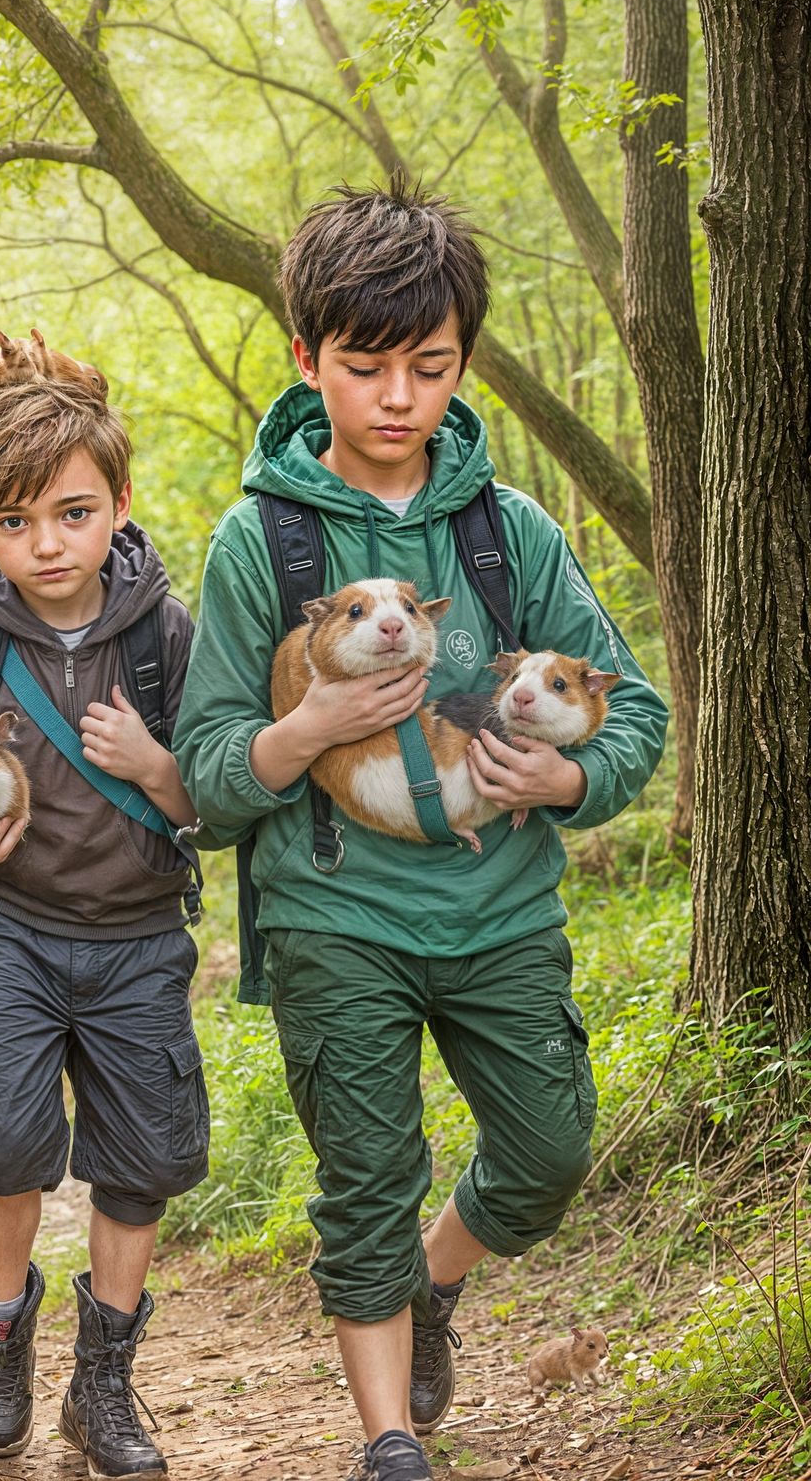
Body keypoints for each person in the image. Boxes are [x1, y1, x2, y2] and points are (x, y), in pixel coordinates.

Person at [173, 179, 668, 1481]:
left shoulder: (512, 535)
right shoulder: (258, 544)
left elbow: (636, 709)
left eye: (430, 366)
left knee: (552, 1154)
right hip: (334, 917)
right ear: (307, 360)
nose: (398, 396)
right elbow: (210, 773)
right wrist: (309, 721)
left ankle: (437, 1283)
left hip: (502, 912)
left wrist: (572, 787)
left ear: (464, 361)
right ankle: (391, 1437)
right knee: (367, 1178)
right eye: (366, 365)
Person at [0, 376, 209, 1479]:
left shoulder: (166, 635)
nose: (47, 543)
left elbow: (221, 784)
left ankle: (102, 1380)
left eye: (71, 512)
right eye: (13, 522)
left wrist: (156, 767)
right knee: (4, 1141)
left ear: (115, 500)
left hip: (139, 929)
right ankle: (1, 1337)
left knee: (144, 1155)